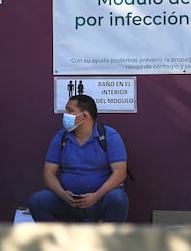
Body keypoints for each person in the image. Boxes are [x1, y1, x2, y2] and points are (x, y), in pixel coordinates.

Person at [28, 94, 129, 222]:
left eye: (70, 110)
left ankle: (111, 240)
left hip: (100, 200)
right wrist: (63, 195)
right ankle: (56, 240)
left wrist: (95, 197)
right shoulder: (61, 137)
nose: (65, 114)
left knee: (118, 198)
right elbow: (48, 173)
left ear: (85, 115)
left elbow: (120, 172)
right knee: (37, 201)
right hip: (68, 202)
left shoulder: (109, 135)